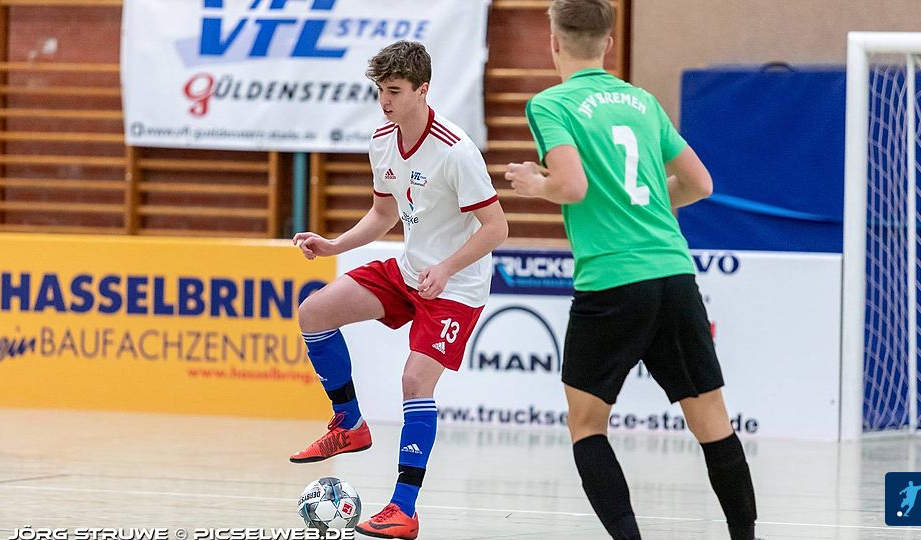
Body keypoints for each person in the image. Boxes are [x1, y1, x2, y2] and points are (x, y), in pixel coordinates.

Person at [504, 1, 758, 539]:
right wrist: (642, 205)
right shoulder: (642, 101)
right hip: (674, 273)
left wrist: (536, 184)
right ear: (609, 43)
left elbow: (571, 186)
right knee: (712, 421)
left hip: (612, 281)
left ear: (554, 43)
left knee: (587, 425)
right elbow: (700, 184)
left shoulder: (552, 103)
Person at [290, 40, 507, 540]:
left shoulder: (455, 150)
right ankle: (349, 424)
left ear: (422, 90)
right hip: (410, 271)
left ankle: (403, 510)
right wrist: (334, 244)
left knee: (414, 381)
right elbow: (383, 213)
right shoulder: (382, 139)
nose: (384, 101)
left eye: (394, 91)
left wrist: (447, 268)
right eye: (380, 90)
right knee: (314, 313)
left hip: (456, 286)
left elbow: (497, 228)